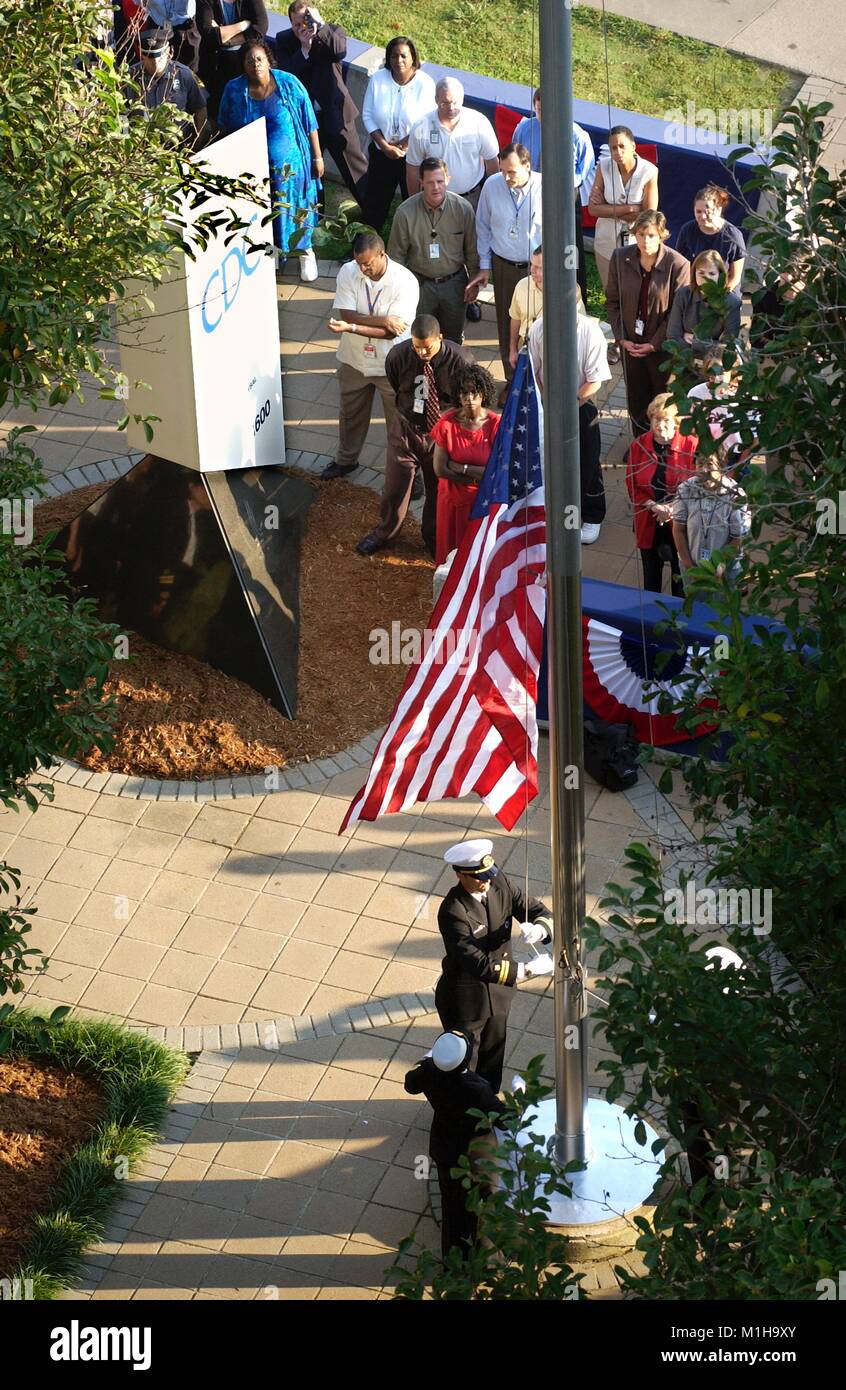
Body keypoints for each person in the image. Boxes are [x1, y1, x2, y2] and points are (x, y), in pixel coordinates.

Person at [435, 838, 553, 1093]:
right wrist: (528, 970)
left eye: (488, 874)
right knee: (466, 1064)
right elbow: (477, 963)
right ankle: (463, 1117)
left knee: (492, 1057)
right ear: (460, 874)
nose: (486, 881)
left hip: (499, 994)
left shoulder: (499, 883)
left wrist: (540, 929)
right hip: (466, 1000)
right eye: (479, 877)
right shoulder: (453, 911)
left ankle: (487, 1107)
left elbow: (535, 909)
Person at [355, 315, 470, 557]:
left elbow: (469, 401)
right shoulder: (399, 356)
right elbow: (396, 384)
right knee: (395, 487)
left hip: (440, 435)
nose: (422, 352)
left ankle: (434, 539)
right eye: (417, 346)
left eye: (427, 347)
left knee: (437, 492)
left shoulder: (460, 361)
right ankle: (384, 533)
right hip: (406, 429)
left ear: (440, 338)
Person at [217, 39, 323, 281]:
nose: (255, 64)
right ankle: (272, 255)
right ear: (242, 65)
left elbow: (310, 123)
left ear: (268, 59)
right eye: (249, 60)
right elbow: (224, 126)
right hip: (254, 170)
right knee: (263, 214)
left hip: (292, 170)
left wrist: (317, 157)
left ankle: (306, 253)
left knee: (297, 210)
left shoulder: (288, 83)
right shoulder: (234, 90)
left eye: (259, 59)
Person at [321, 231, 418, 481]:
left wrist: (356, 326)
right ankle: (346, 461)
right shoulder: (348, 272)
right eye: (358, 262)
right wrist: (383, 319)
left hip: (391, 364)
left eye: (367, 263)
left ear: (381, 254)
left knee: (399, 424)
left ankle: (407, 474)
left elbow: (389, 334)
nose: (362, 268)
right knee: (350, 415)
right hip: (354, 360)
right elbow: (347, 314)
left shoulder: (405, 281)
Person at [404, 1030, 506, 1258]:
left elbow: (410, 1084)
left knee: (451, 1205)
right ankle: (488, 1263)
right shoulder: (476, 1088)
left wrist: (428, 1061)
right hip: (478, 1155)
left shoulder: (429, 1072)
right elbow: (504, 1119)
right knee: (483, 1206)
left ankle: (453, 1261)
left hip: (445, 1147)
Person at [527, 284, 611, 544]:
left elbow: (595, 380)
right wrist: (546, 402)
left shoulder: (590, 332)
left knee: (587, 462)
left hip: (580, 405)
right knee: (547, 458)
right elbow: (534, 369)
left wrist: (568, 405)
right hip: (548, 405)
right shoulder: (538, 328)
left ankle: (592, 515)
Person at [605, 209, 690, 436]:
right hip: (630, 345)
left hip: (662, 349)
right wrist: (622, 337)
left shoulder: (678, 265)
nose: (645, 240)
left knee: (662, 399)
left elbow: (677, 312)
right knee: (636, 396)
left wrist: (654, 343)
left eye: (651, 235)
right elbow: (613, 302)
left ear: (662, 235)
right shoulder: (620, 258)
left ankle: (663, 445)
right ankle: (641, 444)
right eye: (641, 234)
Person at [274, 3, 368, 207]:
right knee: (312, 168)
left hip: (335, 113)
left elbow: (339, 51)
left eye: (305, 21)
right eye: (296, 24)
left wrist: (321, 26)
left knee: (354, 167)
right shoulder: (284, 40)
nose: (302, 28)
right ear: (290, 23)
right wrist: (304, 50)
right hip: (307, 119)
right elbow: (287, 75)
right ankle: (316, 212)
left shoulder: (331, 32)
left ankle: (371, 211)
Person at [467, 143, 543, 397]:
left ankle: (538, 380)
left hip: (536, 270)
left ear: (527, 166)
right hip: (504, 266)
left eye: (512, 172)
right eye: (502, 171)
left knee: (538, 323)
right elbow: (483, 227)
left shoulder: (545, 188)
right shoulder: (492, 186)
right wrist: (485, 265)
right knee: (508, 322)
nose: (506, 177)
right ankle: (512, 380)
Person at [512, 88, 595, 303]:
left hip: (564, 198)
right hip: (532, 195)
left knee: (570, 250)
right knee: (535, 243)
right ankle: (532, 298)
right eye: (539, 109)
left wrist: (563, 185)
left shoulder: (576, 134)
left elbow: (583, 169)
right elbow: (515, 157)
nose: (543, 114)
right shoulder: (525, 130)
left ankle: (577, 301)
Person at [387, 158, 479, 345]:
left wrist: (474, 282)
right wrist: (395, 292)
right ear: (421, 182)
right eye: (430, 182)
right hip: (420, 285)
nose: (435, 187)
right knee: (421, 336)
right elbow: (396, 257)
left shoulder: (463, 209)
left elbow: (472, 249)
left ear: (448, 179)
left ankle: (450, 373)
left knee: (452, 339)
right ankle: (424, 374)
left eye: (440, 181)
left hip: (454, 285)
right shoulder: (405, 213)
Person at [360, 36, 436, 233]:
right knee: (374, 203)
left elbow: (428, 120)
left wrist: (402, 146)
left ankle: (414, 250)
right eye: (394, 56)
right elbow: (368, 115)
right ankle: (363, 248)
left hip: (412, 156)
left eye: (404, 55)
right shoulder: (378, 79)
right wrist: (385, 146)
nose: (399, 60)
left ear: (413, 58)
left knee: (413, 203)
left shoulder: (425, 84)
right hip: (381, 153)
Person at [626, 394, 698, 596]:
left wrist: (672, 509)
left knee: (681, 578)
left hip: (681, 524)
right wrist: (652, 505)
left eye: (666, 420)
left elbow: (697, 487)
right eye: (656, 419)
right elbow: (631, 484)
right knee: (651, 578)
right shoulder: (639, 445)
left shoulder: (691, 445)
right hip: (649, 519)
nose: (660, 425)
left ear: (676, 423)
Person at [431, 363, 500, 563]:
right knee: (451, 558)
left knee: (480, 557)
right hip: (452, 504)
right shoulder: (447, 423)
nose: (469, 399)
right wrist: (477, 475)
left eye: (474, 392)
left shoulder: (495, 425)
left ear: (483, 393)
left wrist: (461, 468)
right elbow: (440, 469)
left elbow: (495, 472)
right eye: (463, 393)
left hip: (483, 503)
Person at [405, 78, 498, 209]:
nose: (451, 108)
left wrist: (493, 197)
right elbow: (413, 167)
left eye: (455, 102)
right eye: (445, 103)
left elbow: (492, 161)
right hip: (433, 198)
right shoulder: (421, 126)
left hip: (472, 198)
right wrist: (414, 203)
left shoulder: (479, 122)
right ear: (436, 100)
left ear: (463, 98)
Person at [588, 125, 658, 293]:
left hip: (637, 244)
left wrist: (609, 208)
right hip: (606, 241)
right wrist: (630, 208)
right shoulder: (604, 166)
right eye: (613, 148)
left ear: (633, 146)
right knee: (610, 292)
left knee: (634, 292)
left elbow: (649, 215)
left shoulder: (649, 171)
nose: (617, 152)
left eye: (622, 146)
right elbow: (593, 209)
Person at [672, 446, 751, 585]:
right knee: (694, 605)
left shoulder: (735, 495)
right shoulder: (685, 489)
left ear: (721, 465)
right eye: (700, 464)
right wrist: (690, 567)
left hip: (724, 570)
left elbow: (737, 538)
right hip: (692, 567)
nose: (703, 469)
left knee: (721, 605)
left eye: (709, 464)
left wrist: (719, 568)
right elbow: (678, 530)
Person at [131, 26, 208, 149]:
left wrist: (198, 141)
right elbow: (122, 114)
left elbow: (200, 108)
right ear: (142, 56)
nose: (155, 61)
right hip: (143, 150)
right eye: (150, 57)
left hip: (178, 147)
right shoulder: (130, 78)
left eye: (159, 55)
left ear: (169, 52)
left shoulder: (184, 74)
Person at [666, 250, 743, 368]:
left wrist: (695, 343)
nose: (705, 278)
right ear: (694, 273)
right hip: (685, 363)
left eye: (711, 274)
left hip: (715, 366)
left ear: (720, 275)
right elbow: (672, 335)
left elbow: (728, 346)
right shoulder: (683, 295)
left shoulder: (732, 303)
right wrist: (712, 344)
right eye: (701, 273)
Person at [196, 0, 268, 120]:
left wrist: (224, 35)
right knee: (217, 112)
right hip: (215, 66)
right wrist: (242, 26)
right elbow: (208, 33)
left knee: (246, 111)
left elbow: (260, 29)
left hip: (245, 63)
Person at [675, 184, 747, 294]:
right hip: (695, 290)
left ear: (718, 209)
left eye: (708, 211)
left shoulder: (733, 235)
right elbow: (681, 264)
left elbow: (735, 277)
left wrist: (719, 296)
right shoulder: (687, 230)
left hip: (725, 292)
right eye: (698, 212)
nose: (703, 216)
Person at [508, 244, 543, 373]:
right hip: (525, 347)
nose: (532, 270)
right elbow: (515, 318)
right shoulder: (522, 285)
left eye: (538, 267)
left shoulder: (569, 295)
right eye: (532, 264)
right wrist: (512, 349)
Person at [142, 0, 200, 70]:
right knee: (156, 69)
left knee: (187, 69)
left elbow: (182, 9)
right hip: (156, 23)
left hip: (183, 25)